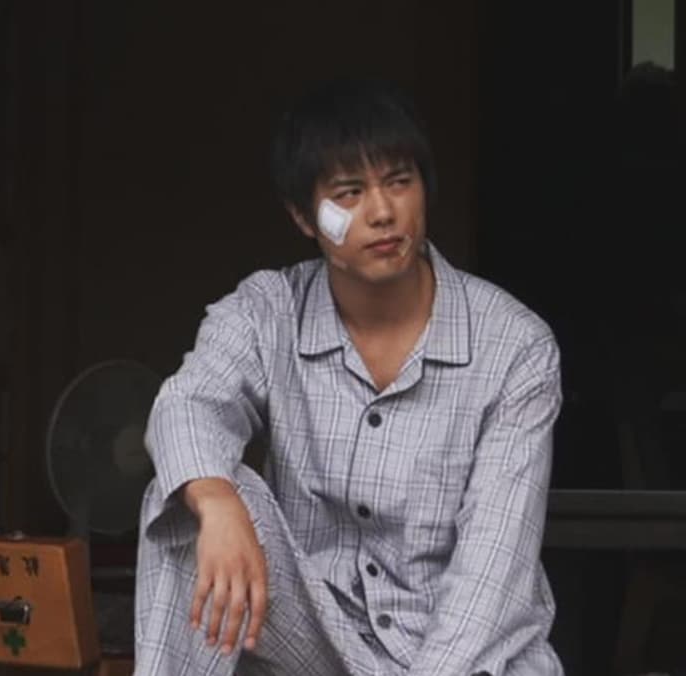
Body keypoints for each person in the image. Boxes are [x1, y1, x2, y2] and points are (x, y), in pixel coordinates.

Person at [135, 80, 563, 675]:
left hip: (461, 652)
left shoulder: (514, 347)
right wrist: (216, 500)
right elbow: (187, 404)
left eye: (399, 182)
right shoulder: (268, 311)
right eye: (349, 193)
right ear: (302, 216)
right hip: (320, 641)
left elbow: (492, 573)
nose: (382, 212)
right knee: (187, 495)